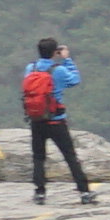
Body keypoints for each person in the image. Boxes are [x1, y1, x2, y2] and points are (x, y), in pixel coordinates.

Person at [17, 35, 98, 203]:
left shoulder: (30, 69)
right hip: (56, 120)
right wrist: (67, 60)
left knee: (39, 157)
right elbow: (75, 80)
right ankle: (84, 192)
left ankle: (40, 193)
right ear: (55, 52)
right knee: (70, 156)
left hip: (36, 120)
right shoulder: (58, 70)